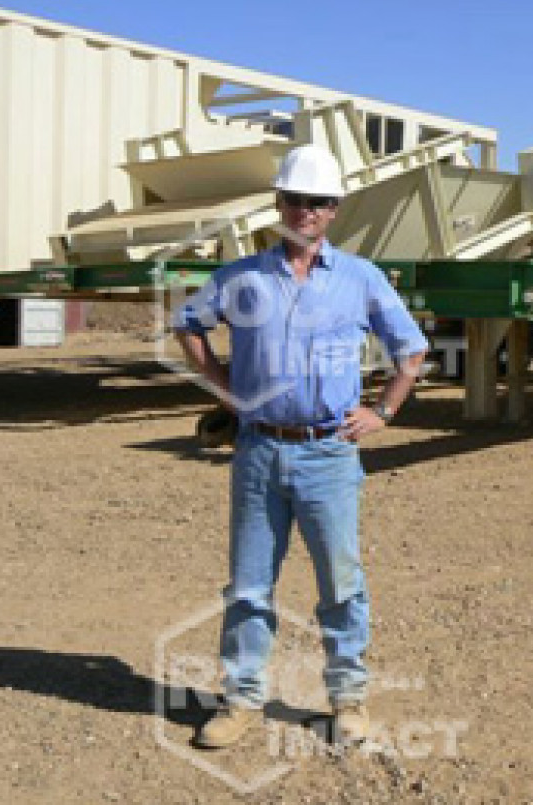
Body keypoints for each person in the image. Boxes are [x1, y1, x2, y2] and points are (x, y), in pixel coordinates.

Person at [173, 144, 427, 748]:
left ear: (334, 209)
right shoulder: (241, 278)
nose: (305, 211)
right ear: (278, 204)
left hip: (328, 453)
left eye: (318, 201)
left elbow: (412, 351)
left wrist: (383, 411)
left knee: (341, 582)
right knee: (249, 583)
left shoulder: (361, 279)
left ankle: (348, 699)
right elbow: (188, 326)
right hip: (259, 451)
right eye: (295, 200)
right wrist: (227, 390)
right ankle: (241, 701)